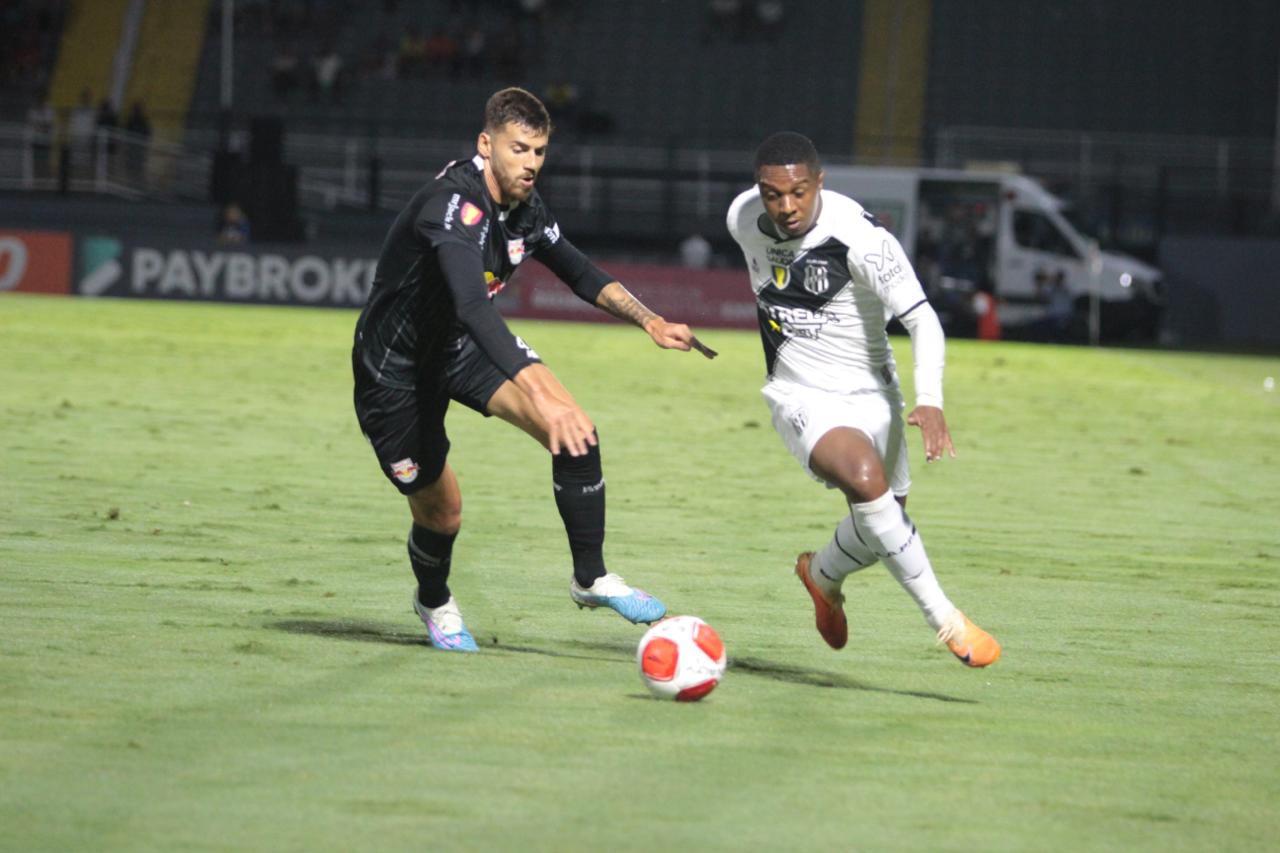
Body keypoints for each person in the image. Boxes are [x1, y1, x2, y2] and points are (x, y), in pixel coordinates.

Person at [353, 88, 715, 652]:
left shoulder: (526, 207)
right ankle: (434, 601)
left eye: (540, 151)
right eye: (519, 148)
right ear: (486, 143)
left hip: (457, 347)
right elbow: (474, 306)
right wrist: (533, 392)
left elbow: (577, 269)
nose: (530, 163)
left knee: (574, 428)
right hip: (396, 371)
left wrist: (650, 321)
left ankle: (590, 577)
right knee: (442, 512)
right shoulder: (453, 206)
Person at [725, 132, 1000, 667]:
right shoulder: (741, 218)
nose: (785, 207)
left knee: (884, 523)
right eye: (773, 194)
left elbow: (923, 319)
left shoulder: (862, 239)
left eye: (799, 192)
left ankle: (822, 574)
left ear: (820, 182)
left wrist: (932, 399)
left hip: (874, 394)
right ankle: (947, 621)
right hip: (800, 393)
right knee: (867, 485)